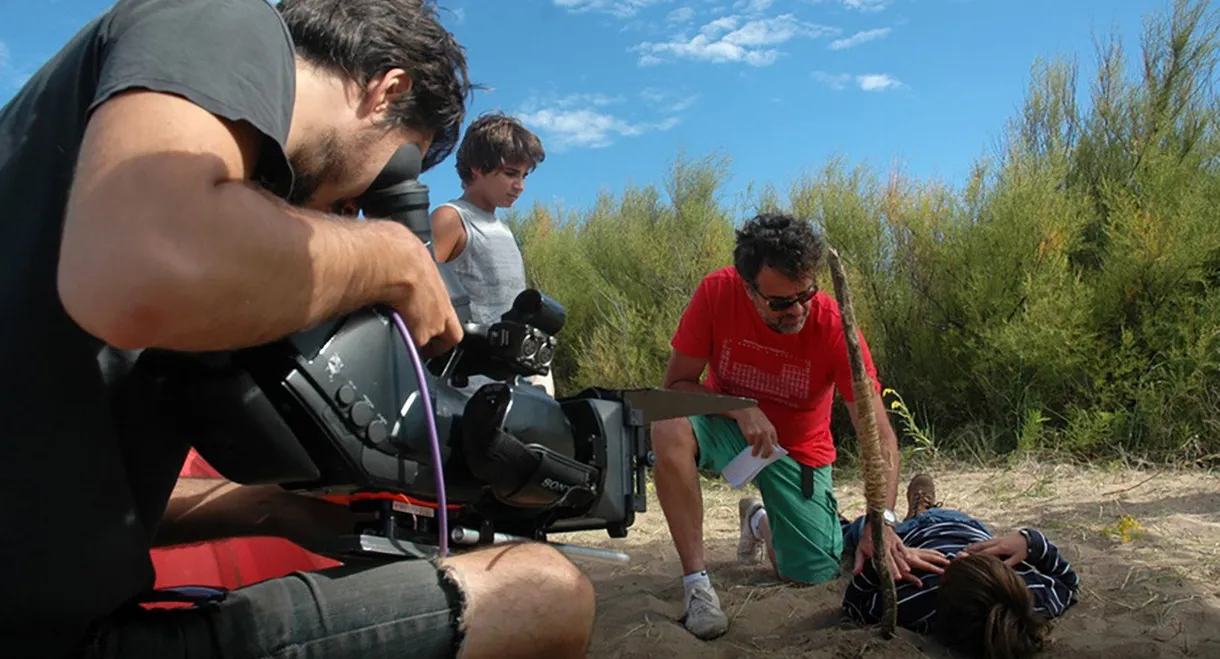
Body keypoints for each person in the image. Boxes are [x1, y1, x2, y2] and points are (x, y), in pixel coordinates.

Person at [0, 1, 595, 658]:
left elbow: (77, 500)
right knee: (542, 588)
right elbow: (133, 260)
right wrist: (389, 253)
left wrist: (270, 507)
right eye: (399, 167)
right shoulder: (222, 17)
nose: (354, 209)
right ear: (386, 90)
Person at [652, 212, 938, 640]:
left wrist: (883, 519)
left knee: (810, 573)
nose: (798, 310)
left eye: (806, 294)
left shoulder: (832, 323)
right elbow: (674, 388)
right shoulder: (716, 292)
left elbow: (875, 430)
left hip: (800, 450)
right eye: (781, 302)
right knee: (667, 424)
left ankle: (759, 520)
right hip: (731, 428)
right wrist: (740, 407)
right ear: (747, 287)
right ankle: (697, 585)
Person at [842, 474, 1081, 659]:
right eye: (977, 557)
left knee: (865, 530)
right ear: (1008, 575)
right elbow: (1069, 583)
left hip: (910, 538)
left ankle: (909, 515)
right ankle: (925, 508)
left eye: (954, 561)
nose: (959, 552)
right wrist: (1031, 542)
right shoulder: (1028, 597)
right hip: (963, 526)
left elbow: (855, 605)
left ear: (941, 588)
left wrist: (885, 561)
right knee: (945, 515)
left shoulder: (915, 604)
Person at [430, 111, 554, 395]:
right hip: (464, 390)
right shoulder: (451, 218)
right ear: (477, 168)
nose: (519, 185)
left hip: (510, 388)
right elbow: (417, 291)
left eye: (523, 175)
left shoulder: (503, 229)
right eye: (510, 173)